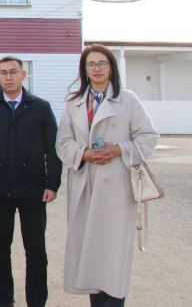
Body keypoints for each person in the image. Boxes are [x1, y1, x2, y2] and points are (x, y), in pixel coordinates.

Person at [56, 44, 159, 307]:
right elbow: (63, 143)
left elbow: (148, 137)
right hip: (85, 184)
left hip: (116, 188)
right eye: (91, 64)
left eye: (102, 63)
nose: (97, 69)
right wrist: (85, 154)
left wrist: (119, 149)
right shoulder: (74, 103)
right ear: (84, 70)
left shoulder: (128, 100)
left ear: (111, 67)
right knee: (91, 254)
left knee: (113, 255)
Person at [0, 56, 61, 307]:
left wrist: (52, 183)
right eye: (4, 73)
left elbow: (52, 148)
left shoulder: (40, 107)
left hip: (32, 189)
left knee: (35, 249)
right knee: (0, 246)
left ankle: (36, 300)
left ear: (23, 75)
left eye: (13, 72)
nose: (8, 77)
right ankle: (4, 297)